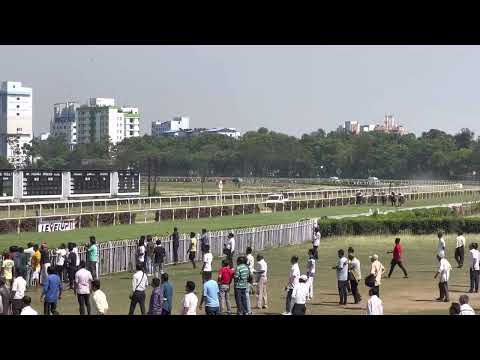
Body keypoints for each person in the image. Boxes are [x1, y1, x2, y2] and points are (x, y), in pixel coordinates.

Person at [245, 247, 255, 314]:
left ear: (247, 251)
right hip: (252, 271)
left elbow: (247, 264)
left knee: (247, 287)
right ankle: (252, 289)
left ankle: (251, 290)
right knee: (250, 283)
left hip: (248, 272)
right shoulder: (252, 257)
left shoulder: (247, 257)